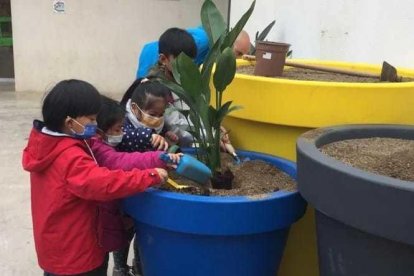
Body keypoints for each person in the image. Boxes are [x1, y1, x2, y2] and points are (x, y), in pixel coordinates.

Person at [22, 79, 168, 276]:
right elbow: (104, 184)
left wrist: (153, 152)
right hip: (76, 253)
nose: (96, 125)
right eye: (91, 119)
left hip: (55, 245)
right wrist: (150, 176)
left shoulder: (48, 145)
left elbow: (117, 151)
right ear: (69, 122)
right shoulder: (70, 157)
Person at [92, 95, 181, 276]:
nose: (121, 134)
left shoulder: (98, 143)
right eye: (117, 130)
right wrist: (157, 162)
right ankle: (121, 269)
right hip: (103, 219)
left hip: (111, 213)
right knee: (103, 256)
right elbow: (121, 161)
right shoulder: (98, 148)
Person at [136, 27, 251, 78]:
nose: (237, 58)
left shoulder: (218, 50)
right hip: (153, 55)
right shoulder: (204, 40)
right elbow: (176, 49)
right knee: (144, 96)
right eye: (238, 53)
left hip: (167, 60)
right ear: (229, 41)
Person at [118, 79, 193, 150]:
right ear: (135, 108)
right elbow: (124, 137)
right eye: (152, 114)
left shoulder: (161, 128)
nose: (157, 119)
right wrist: (149, 136)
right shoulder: (121, 123)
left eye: (161, 114)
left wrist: (167, 143)